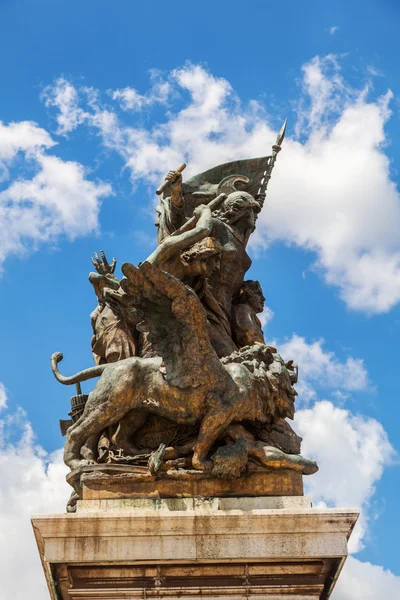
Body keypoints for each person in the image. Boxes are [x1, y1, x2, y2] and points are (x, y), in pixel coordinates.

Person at [231, 280, 265, 348]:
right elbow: (245, 333)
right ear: (248, 293)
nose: (263, 299)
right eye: (258, 294)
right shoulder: (243, 308)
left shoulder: (254, 318)